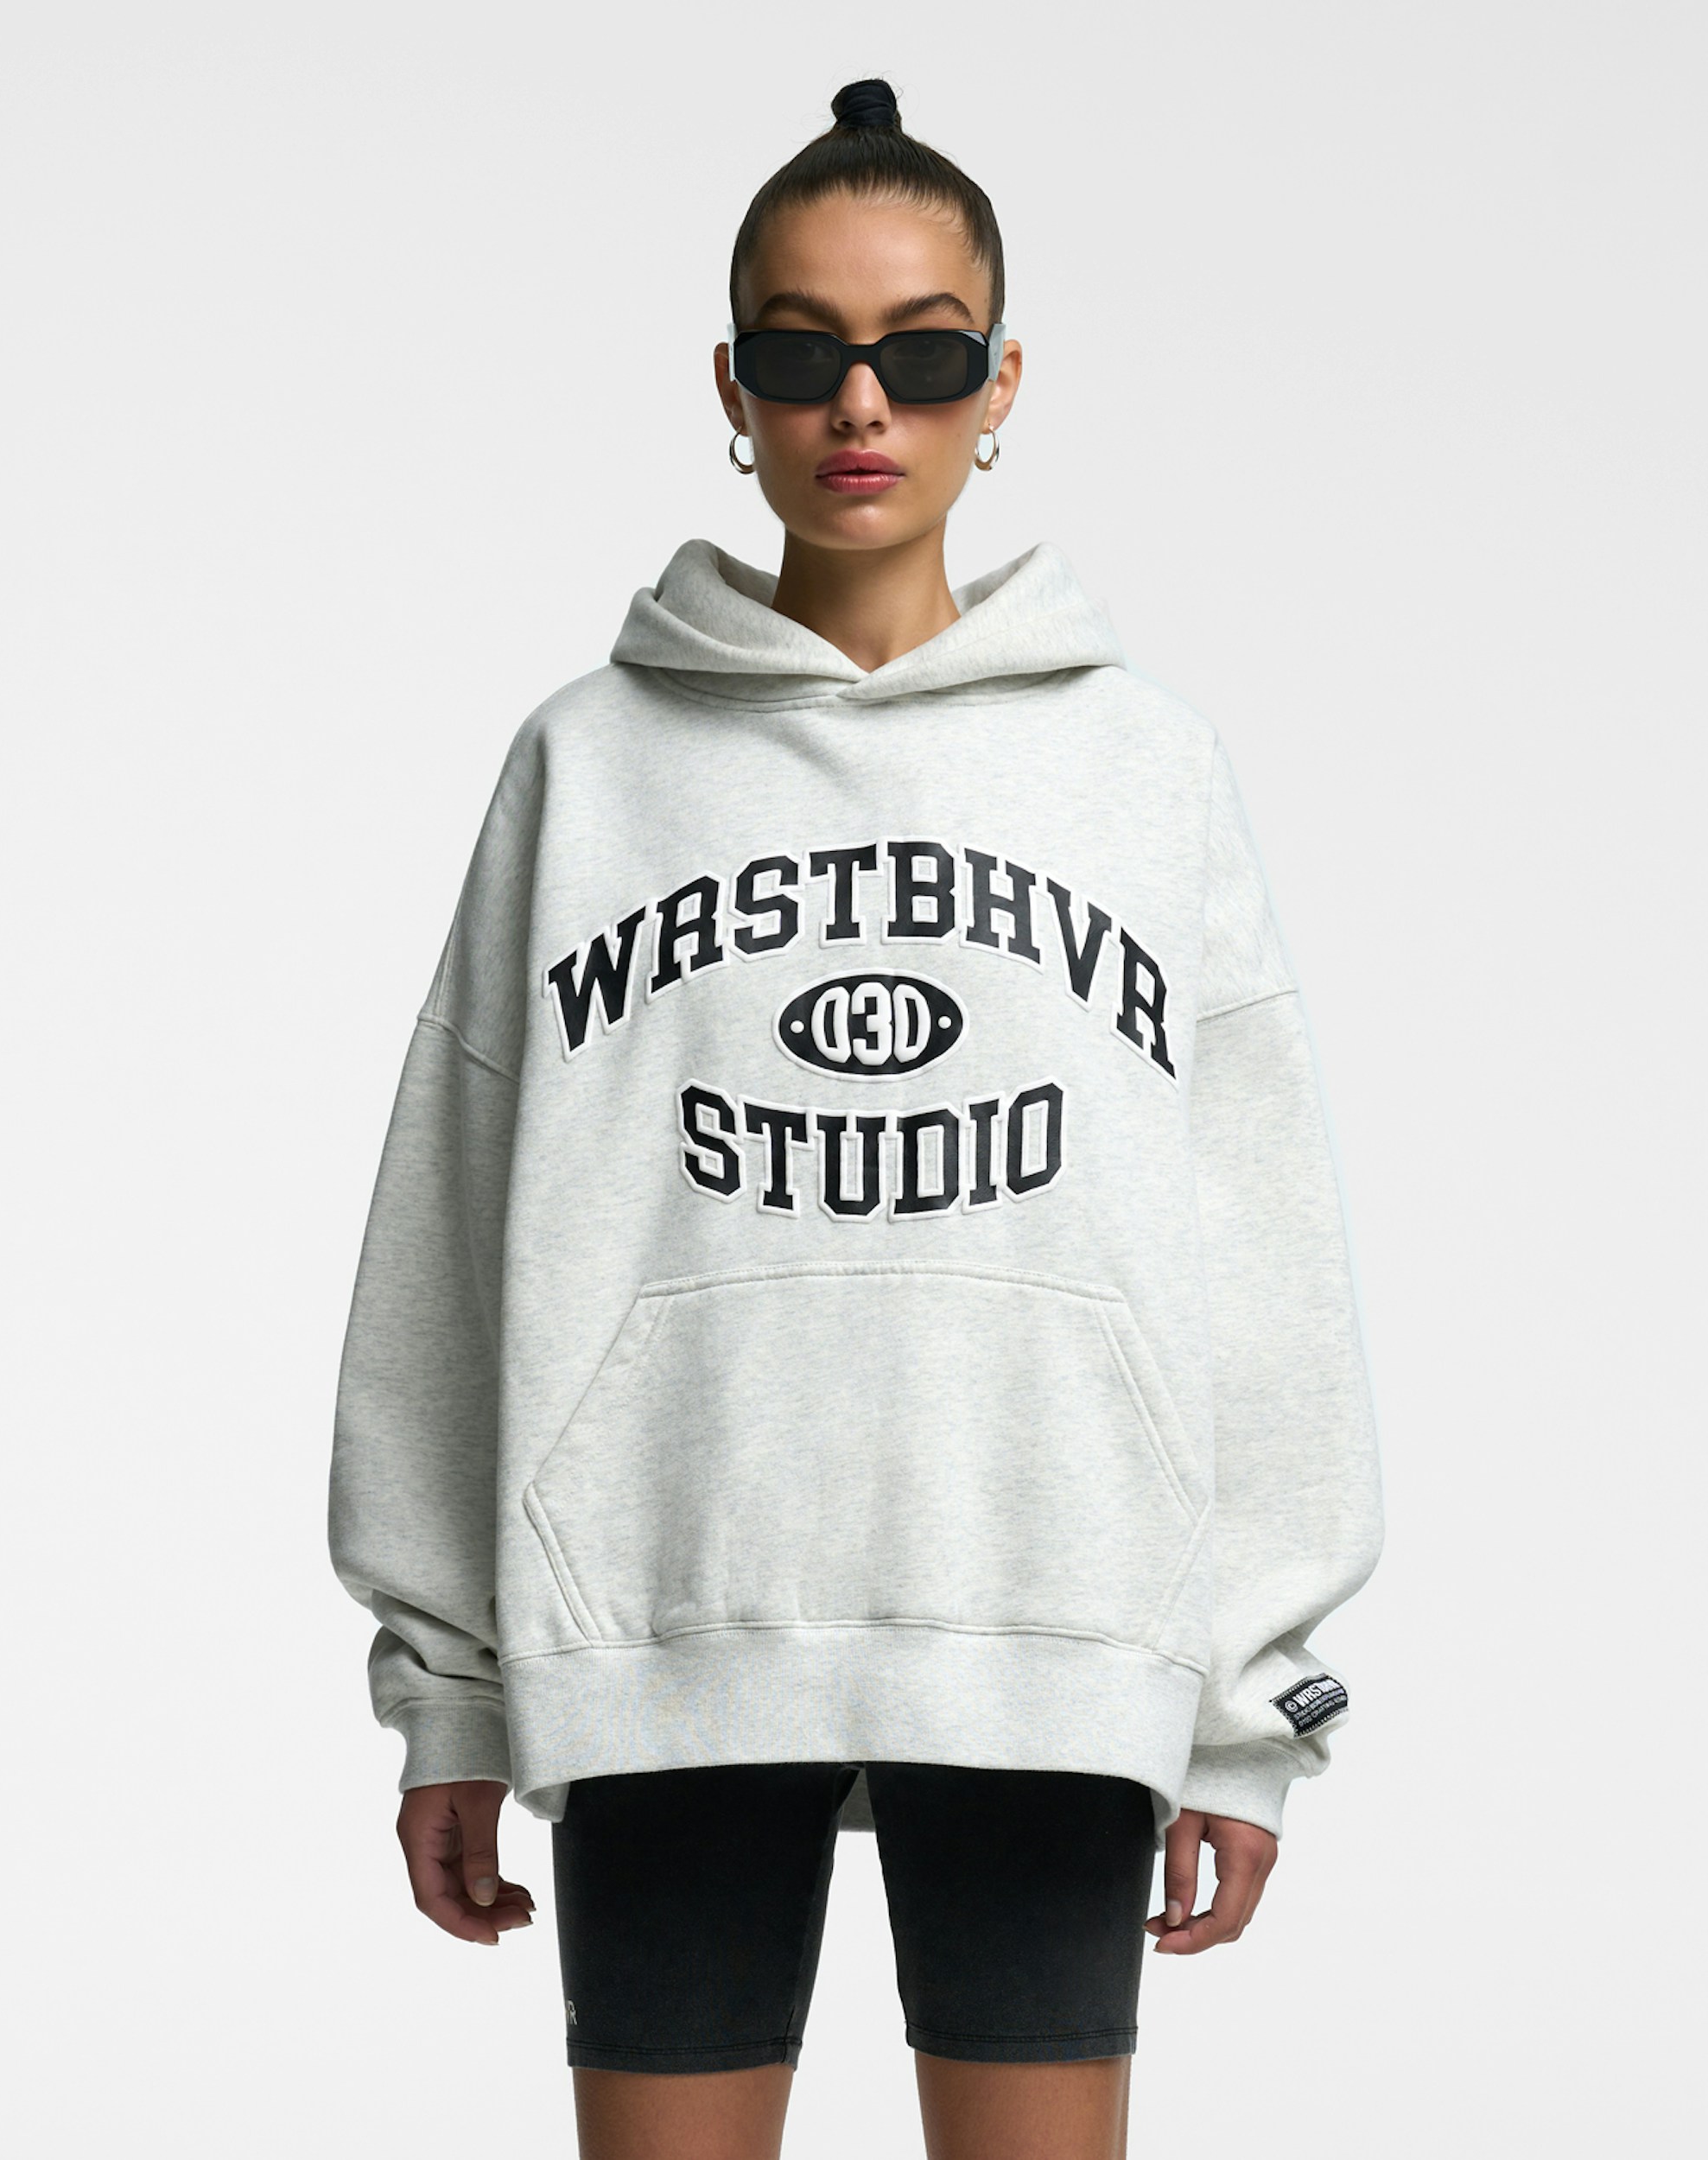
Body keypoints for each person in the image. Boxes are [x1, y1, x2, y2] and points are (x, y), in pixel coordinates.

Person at [327, 75, 1384, 2160]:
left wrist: (1243, 1701)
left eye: (923, 352)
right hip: (664, 1620)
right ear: (733, 385)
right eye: (804, 352)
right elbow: (451, 1224)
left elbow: (1253, 1239)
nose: (863, 404)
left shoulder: (1140, 769)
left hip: (1045, 1610)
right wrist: (450, 1678)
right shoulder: (590, 763)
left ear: (1004, 383)